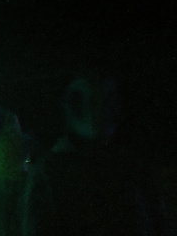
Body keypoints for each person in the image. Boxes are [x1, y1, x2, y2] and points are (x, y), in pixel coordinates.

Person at [22, 76, 170, 235]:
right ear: (71, 107)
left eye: (107, 102)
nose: (99, 110)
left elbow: (156, 221)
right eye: (91, 103)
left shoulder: (131, 165)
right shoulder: (49, 170)